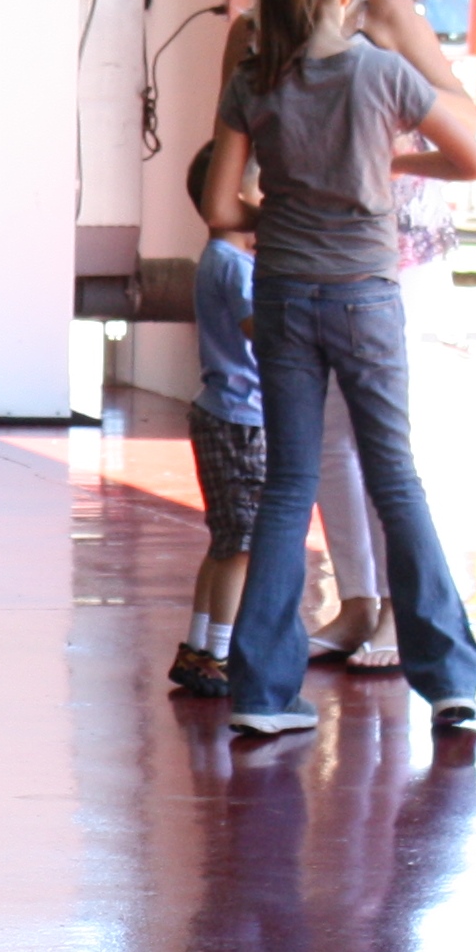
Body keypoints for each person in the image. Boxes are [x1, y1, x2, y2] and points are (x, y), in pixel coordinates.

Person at [203, 0, 476, 739]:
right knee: (395, 477)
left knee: (288, 485)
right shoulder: (381, 72)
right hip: (366, 297)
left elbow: (220, 205)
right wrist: (396, 162)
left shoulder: (253, 82)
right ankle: (448, 680)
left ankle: (262, 690)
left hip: (285, 295)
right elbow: (474, 160)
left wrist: (282, 214)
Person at [222, 0, 448, 672]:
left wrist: (391, 157)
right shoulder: (251, 34)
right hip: (300, 252)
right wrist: (259, 233)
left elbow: (457, 107)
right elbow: (232, 161)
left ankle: (402, 616)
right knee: (318, 448)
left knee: (376, 443)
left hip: (387, 245)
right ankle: (358, 600)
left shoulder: (380, 9)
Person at [172, 141, 264, 701]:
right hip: (243, 419)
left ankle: (201, 644)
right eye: (261, 186)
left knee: (225, 540)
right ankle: (221, 654)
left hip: (221, 413)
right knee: (242, 545)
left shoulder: (216, 259)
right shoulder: (237, 268)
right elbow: (261, 333)